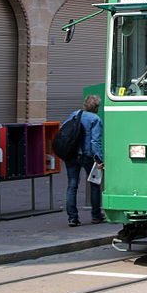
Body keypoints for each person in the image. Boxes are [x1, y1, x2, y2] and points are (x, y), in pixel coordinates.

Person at [64, 94, 104, 227]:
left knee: (72, 185)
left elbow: (64, 131)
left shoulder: (74, 115)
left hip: (71, 155)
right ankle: (96, 216)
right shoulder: (95, 119)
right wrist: (99, 159)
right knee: (94, 185)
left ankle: (72, 218)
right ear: (96, 106)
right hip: (87, 156)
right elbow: (95, 141)